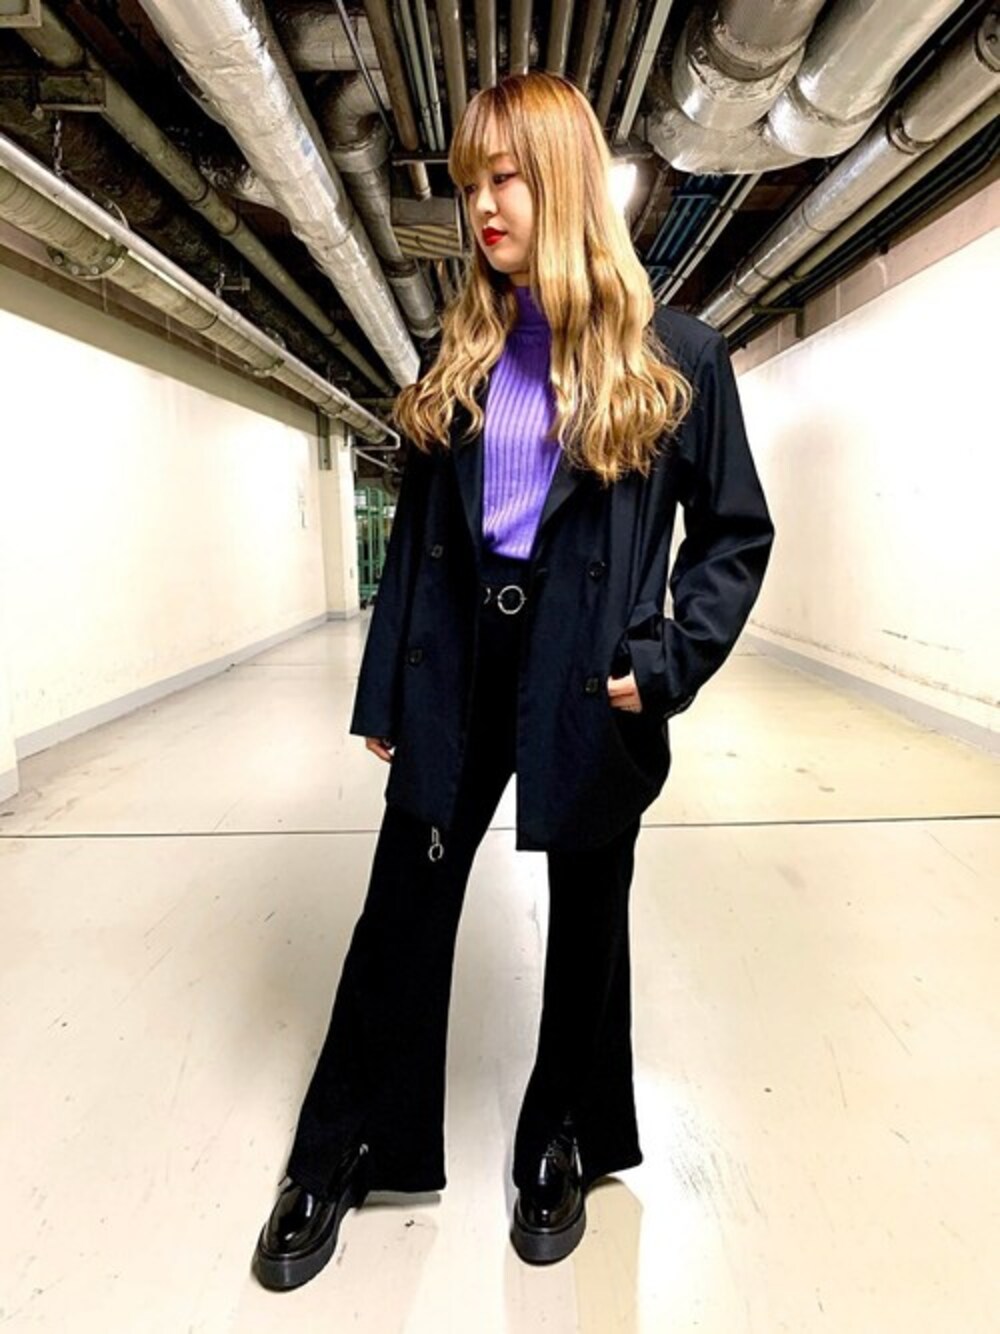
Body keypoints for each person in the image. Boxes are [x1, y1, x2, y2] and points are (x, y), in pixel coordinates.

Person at [253, 69, 774, 1290]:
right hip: (460, 658)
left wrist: (665, 659)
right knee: (402, 905)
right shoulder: (466, 349)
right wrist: (388, 691)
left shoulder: (679, 354)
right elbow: (420, 544)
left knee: (589, 916)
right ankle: (343, 1144)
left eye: (507, 177)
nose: (482, 206)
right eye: (469, 182)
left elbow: (734, 533)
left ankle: (562, 1134)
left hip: (589, 670)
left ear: (568, 182)